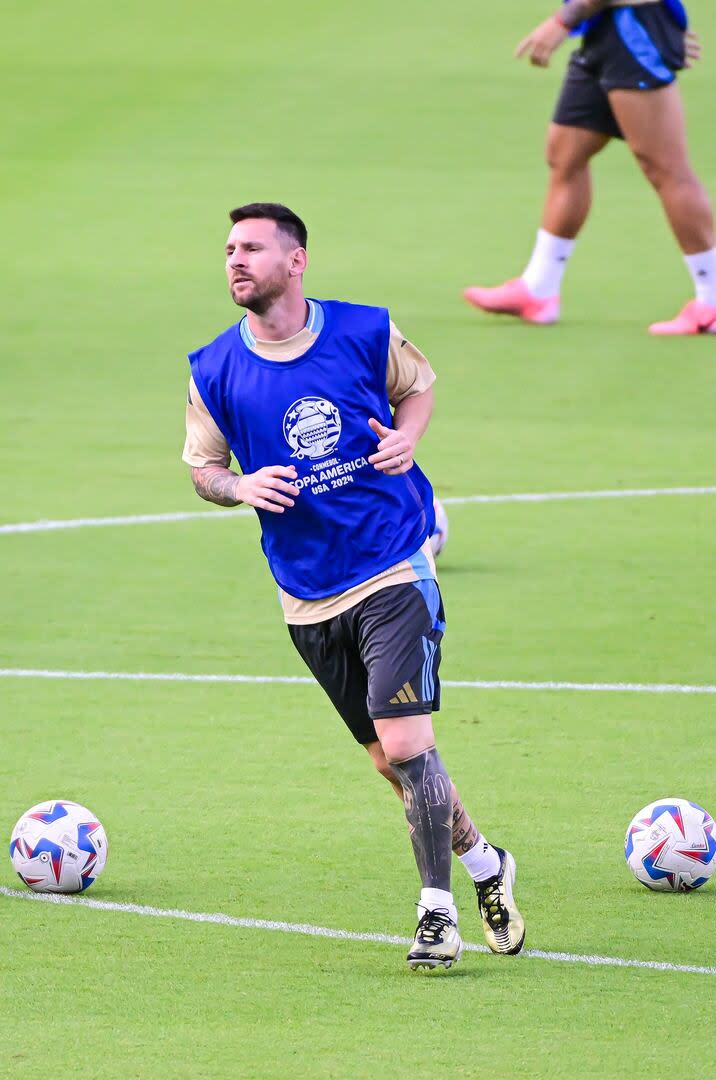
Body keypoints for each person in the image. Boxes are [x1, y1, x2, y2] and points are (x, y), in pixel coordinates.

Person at [183, 202, 525, 970]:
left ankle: (435, 914)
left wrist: (408, 437)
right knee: (389, 763)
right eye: (229, 249)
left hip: (392, 564)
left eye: (252, 249)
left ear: (296, 262)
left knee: (407, 742)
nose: (235, 261)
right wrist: (236, 489)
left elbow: (420, 386)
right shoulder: (213, 368)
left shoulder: (364, 330)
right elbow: (202, 468)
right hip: (305, 591)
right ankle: (483, 867)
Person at [464, 0, 716, 335]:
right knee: (565, 154)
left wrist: (562, 21)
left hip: (631, 28)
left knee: (665, 166)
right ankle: (538, 290)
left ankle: (712, 300)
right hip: (603, 26)